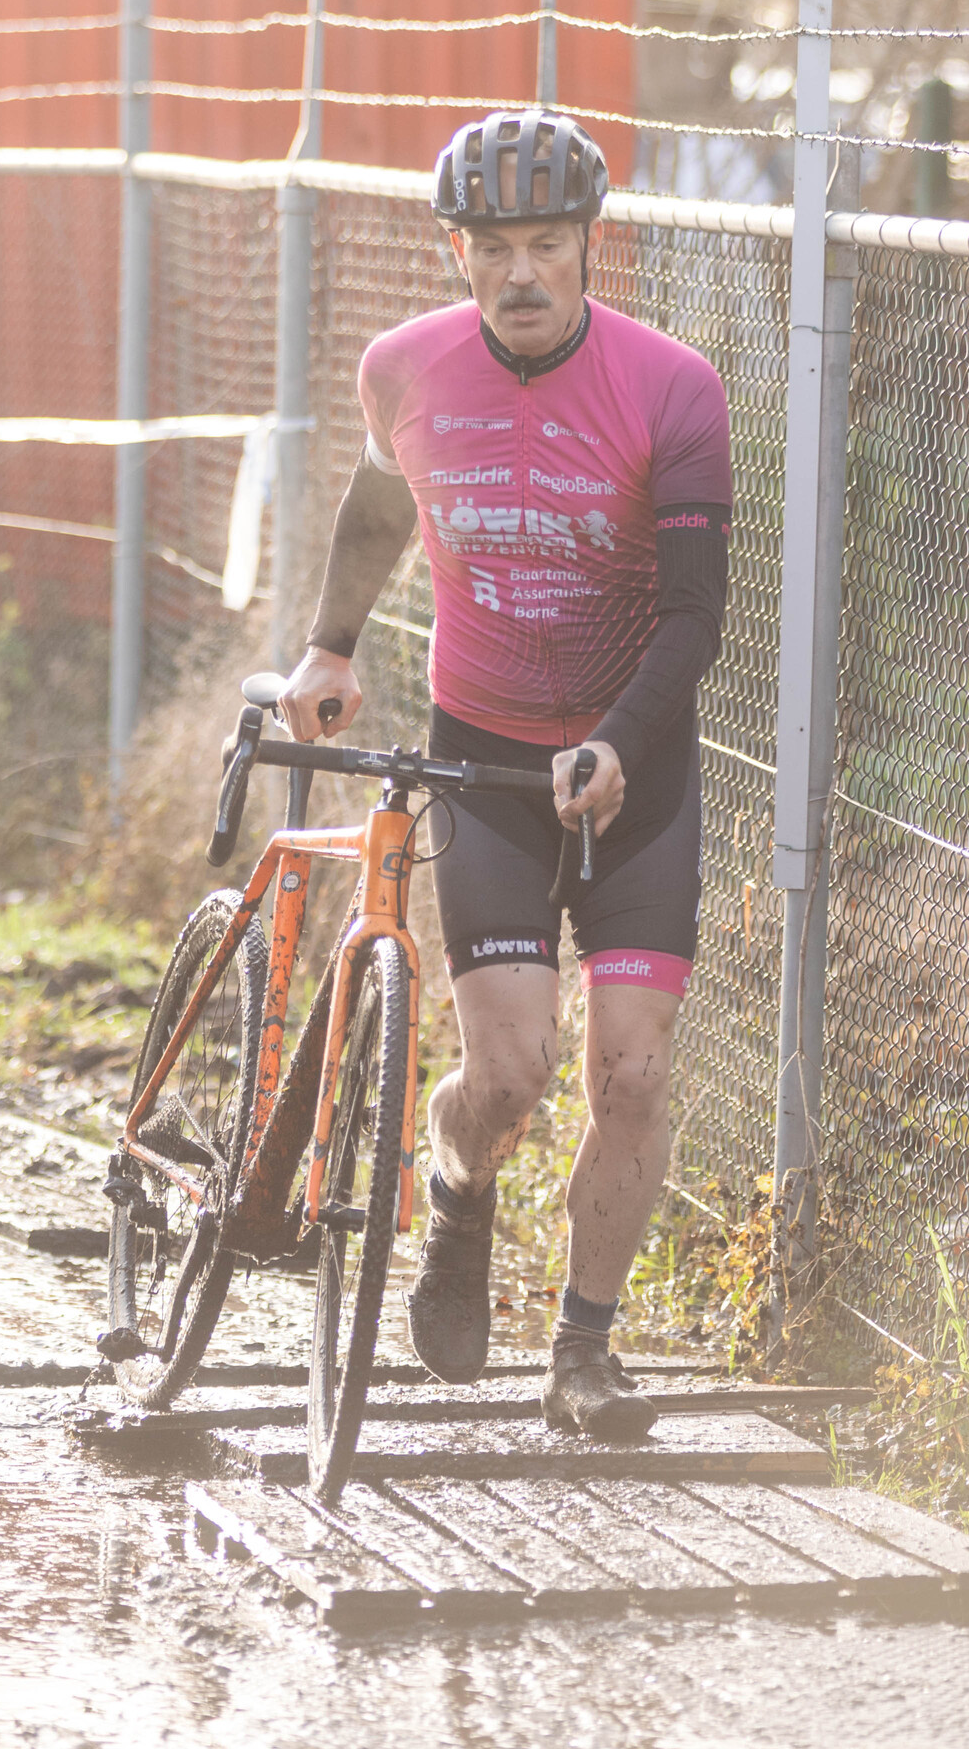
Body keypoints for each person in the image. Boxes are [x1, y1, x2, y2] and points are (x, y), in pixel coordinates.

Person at [280, 106, 731, 1443]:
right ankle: (455, 1188)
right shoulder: (401, 370)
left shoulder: (673, 389)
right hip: (486, 762)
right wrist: (330, 644)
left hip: (632, 765)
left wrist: (616, 743)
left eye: (547, 242)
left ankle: (584, 1355)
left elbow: (698, 613)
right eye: (494, 247)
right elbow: (382, 504)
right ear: (458, 253)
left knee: (634, 1075)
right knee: (513, 1075)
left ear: (592, 245)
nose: (522, 272)